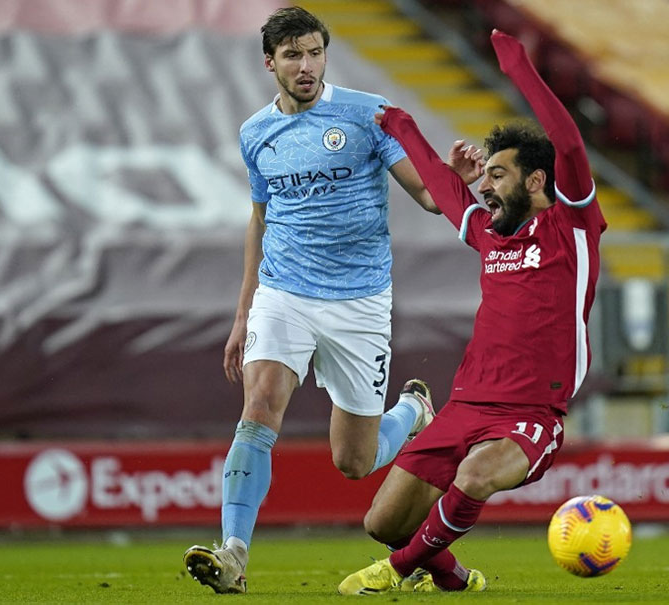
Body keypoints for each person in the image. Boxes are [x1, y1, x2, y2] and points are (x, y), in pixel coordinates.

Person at [183, 6, 444, 594]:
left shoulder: (366, 114)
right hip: (285, 292)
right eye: (294, 55)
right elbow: (260, 218)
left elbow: (427, 196)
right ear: (269, 62)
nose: (307, 65)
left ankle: (412, 414)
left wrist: (453, 180)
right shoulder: (256, 133)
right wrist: (243, 311)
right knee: (261, 401)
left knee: (354, 462)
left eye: (316, 52)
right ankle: (233, 555)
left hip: (360, 302)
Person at [337, 29, 607, 594]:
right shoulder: (490, 234)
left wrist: (520, 73)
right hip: (465, 403)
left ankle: (398, 569)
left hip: (531, 411)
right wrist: (403, 127)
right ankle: (452, 577)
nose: (486, 186)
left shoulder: (572, 225)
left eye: (499, 176)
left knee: (476, 475)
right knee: (381, 522)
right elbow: (441, 184)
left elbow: (571, 147)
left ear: (536, 181)